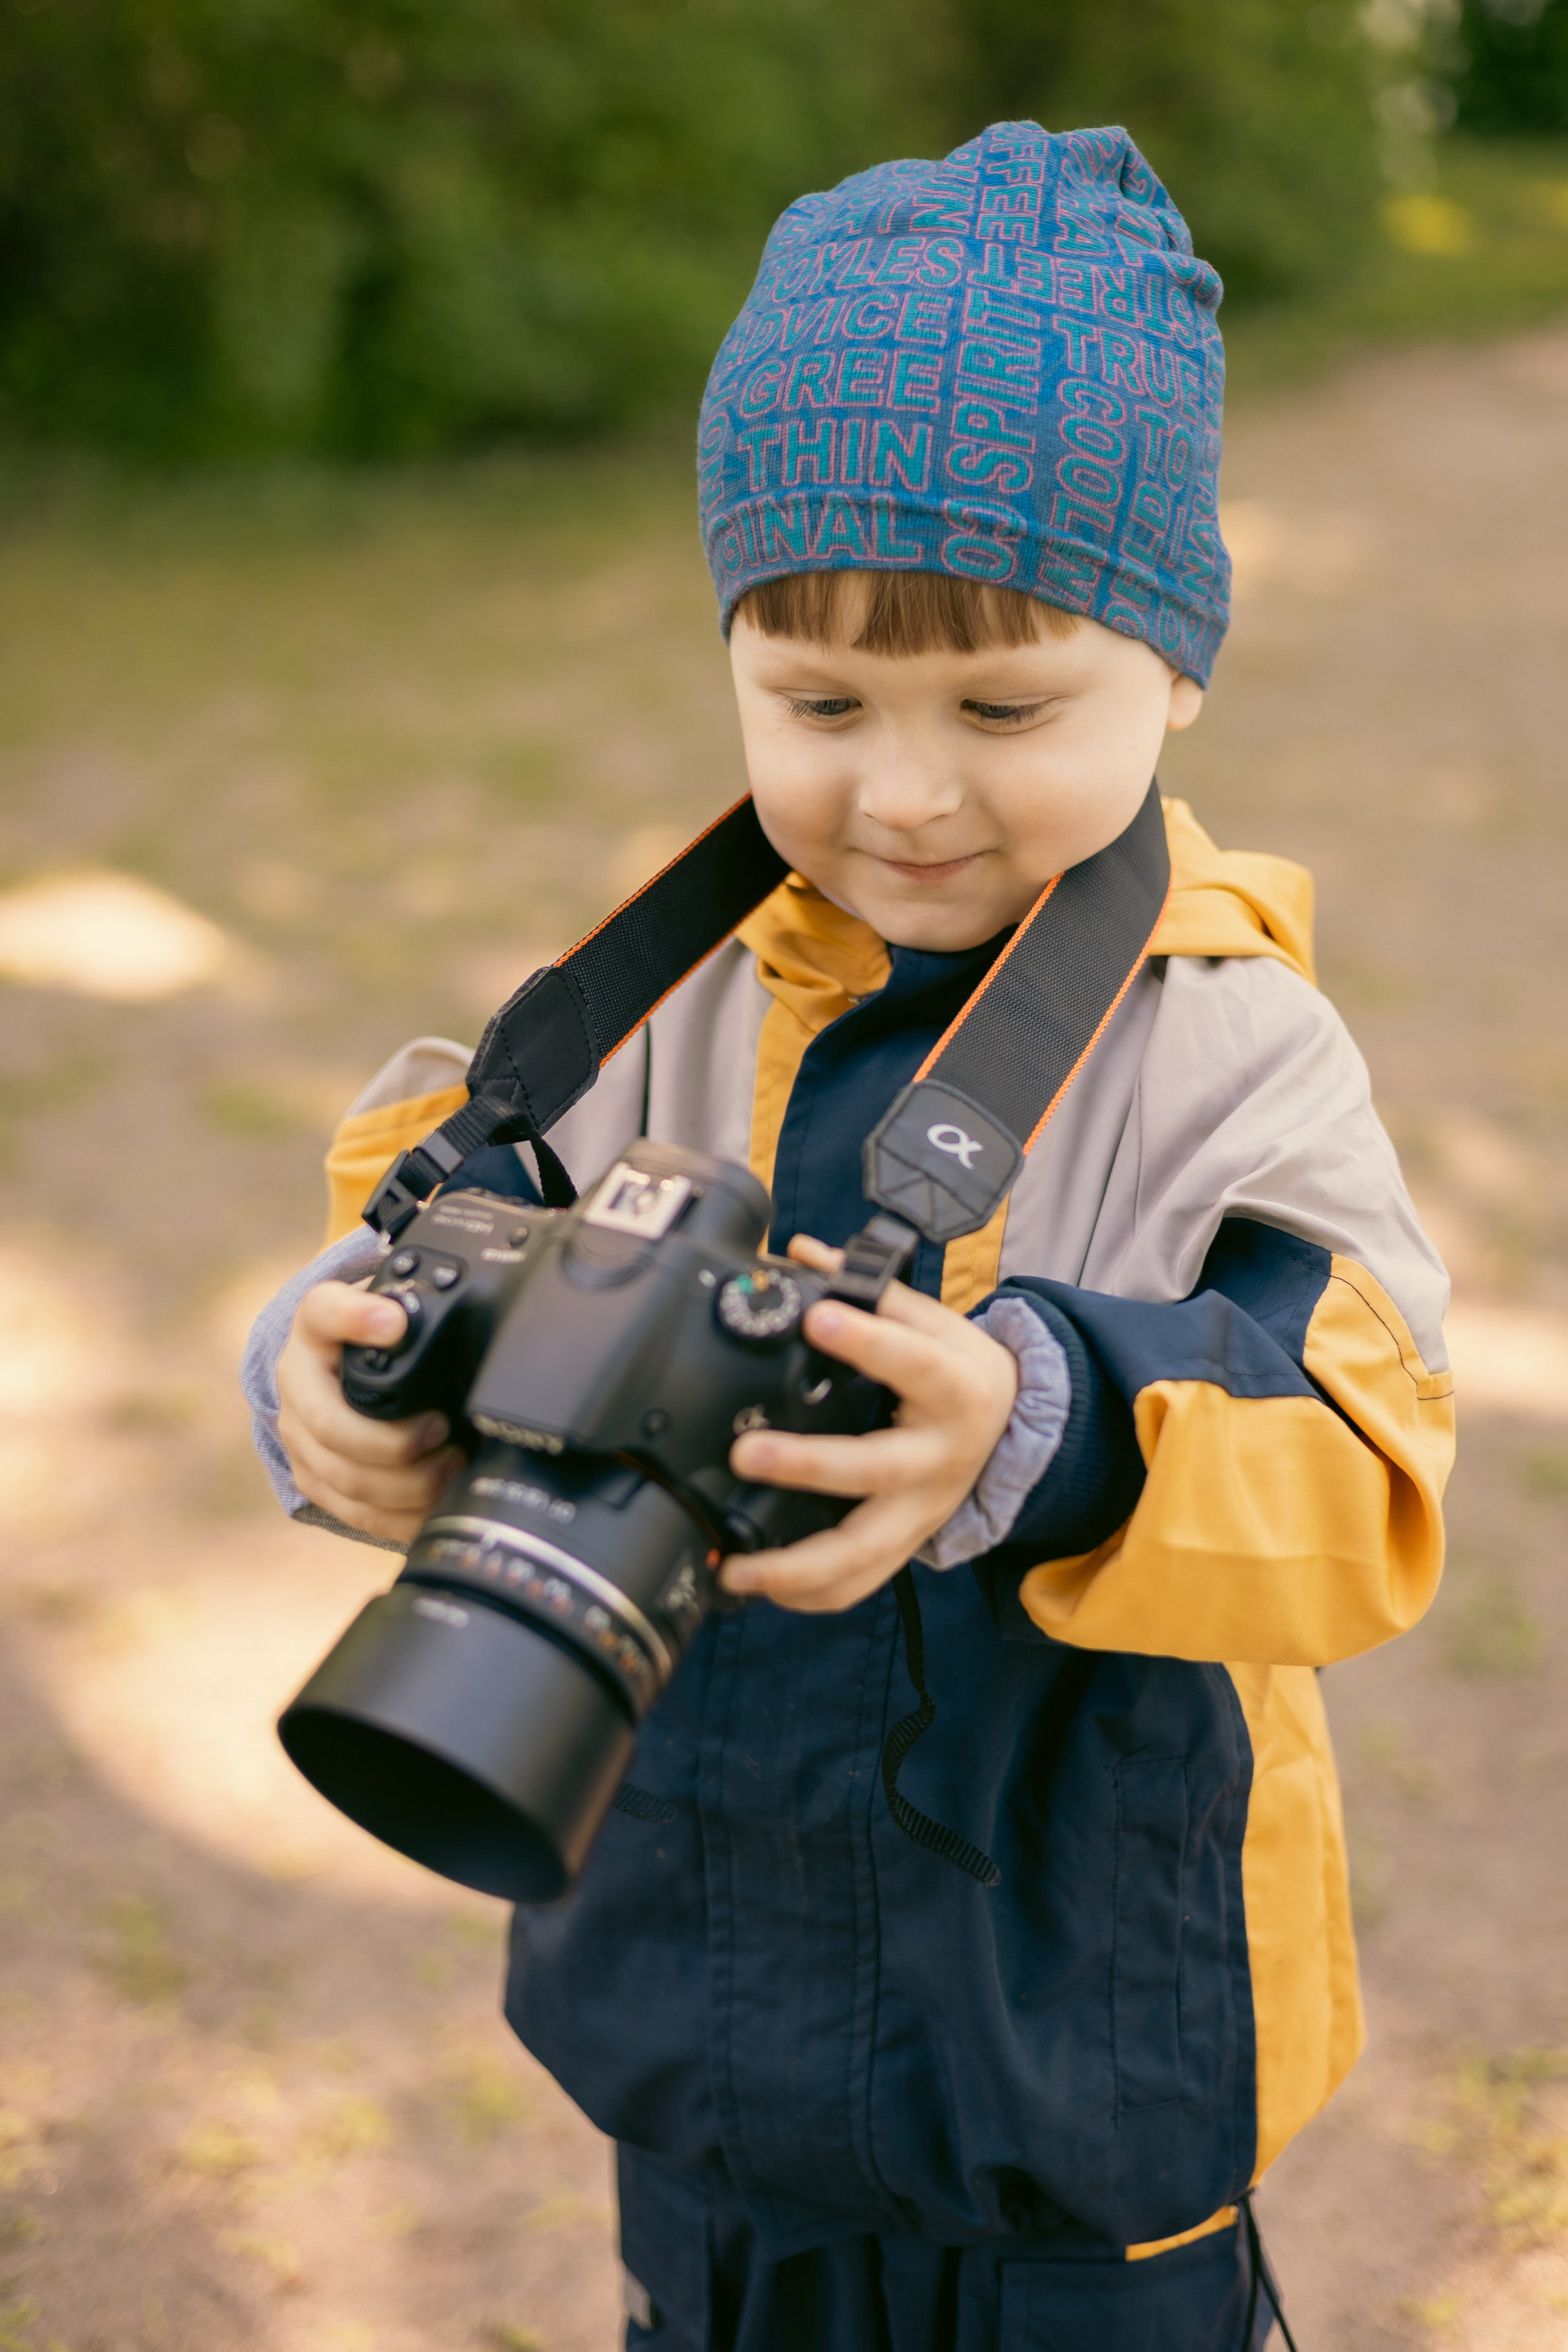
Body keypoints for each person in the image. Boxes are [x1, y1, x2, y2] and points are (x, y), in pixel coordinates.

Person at [243, 123, 1454, 2351]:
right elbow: (419, 1212)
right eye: (817, 706)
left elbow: (1370, 1473)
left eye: (1004, 709)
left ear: (1178, 670)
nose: (904, 793)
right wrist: (337, 1372)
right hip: (694, 2050)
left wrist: (1041, 1421)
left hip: (1086, 2084)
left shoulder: (1232, 1054)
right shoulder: (645, 998)